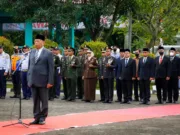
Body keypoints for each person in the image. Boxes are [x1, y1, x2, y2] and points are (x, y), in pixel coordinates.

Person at [28, 34, 54, 125]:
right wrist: (29, 79)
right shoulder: (31, 52)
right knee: (35, 100)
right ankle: (36, 117)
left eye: (38, 41)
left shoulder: (48, 53)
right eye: (35, 41)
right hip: (33, 80)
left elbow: (51, 68)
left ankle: (43, 117)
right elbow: (29, 67)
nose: (36, 43)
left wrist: (50, 81)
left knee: (44, 100)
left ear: (43, 42)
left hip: (43, 80)